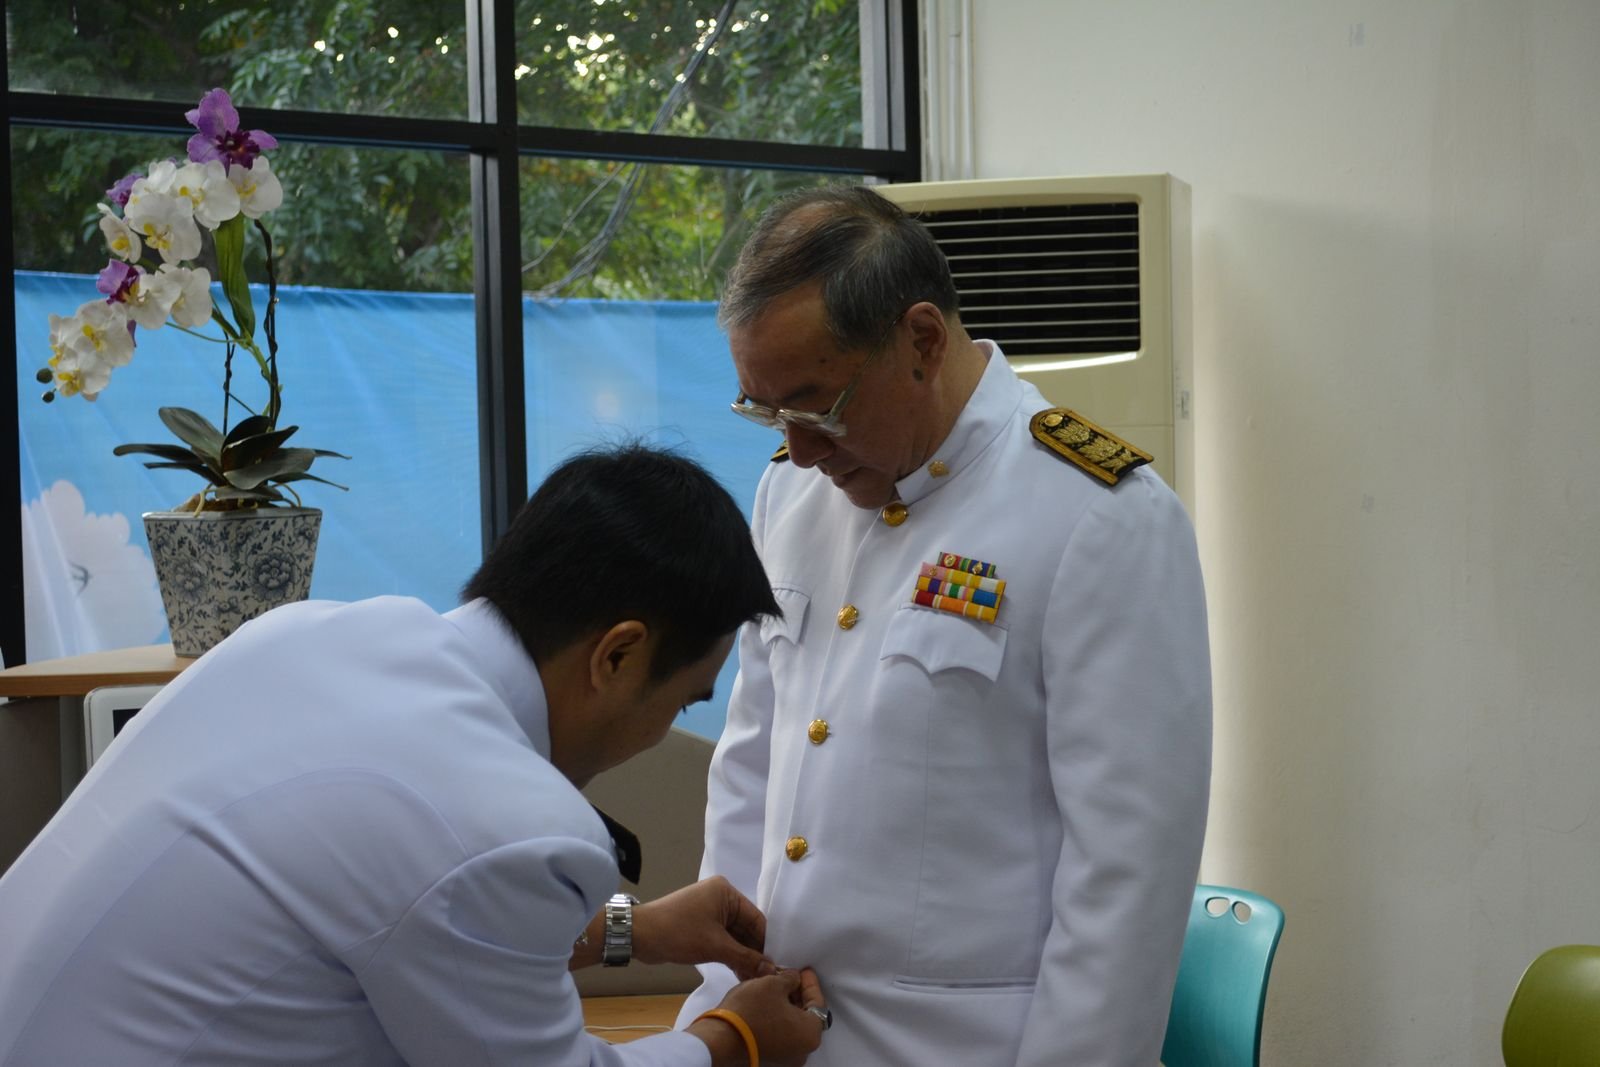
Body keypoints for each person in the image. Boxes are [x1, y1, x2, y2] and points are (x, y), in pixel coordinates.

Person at [0, 444, 828, 1067]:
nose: (662, 730)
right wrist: (735, 1037)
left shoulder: (307, 633)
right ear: (617, 656)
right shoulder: (510, 823)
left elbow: (398, 913)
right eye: (682, 701)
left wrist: (632, 931)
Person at [674, 186, 1212, 1066]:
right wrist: (712, 1019)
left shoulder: (1098, 514)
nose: (799, 448)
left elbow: (1127, 876)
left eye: (816, 405)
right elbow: (748, 774)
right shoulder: (791, 495)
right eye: (768, 413)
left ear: (922, 341)